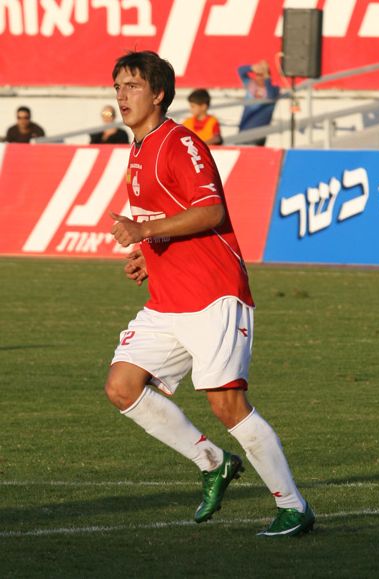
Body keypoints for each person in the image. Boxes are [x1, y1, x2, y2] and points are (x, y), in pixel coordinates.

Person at [105, 50, 315, 537]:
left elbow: (211, 211)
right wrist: (147, 248)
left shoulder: (180, 142)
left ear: (158, 94)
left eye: (132, 86)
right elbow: (168, 221)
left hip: (213, 292)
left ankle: (293, 506)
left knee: (227, 404)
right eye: (117, 86)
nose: (121, 95)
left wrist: (144, 229)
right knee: (122, 386)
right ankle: (214, 462)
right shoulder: (137, 149)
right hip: (169, 295)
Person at [237, 60, 280, 146]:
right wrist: (252, 67)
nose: (259, 77)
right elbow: (240, 71)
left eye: (262, 75)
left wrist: (267, 76)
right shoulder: (250, 84)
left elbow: (271, 96)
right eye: (257, 74)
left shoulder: (275, 89)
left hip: (259, 134)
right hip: (243, 131)